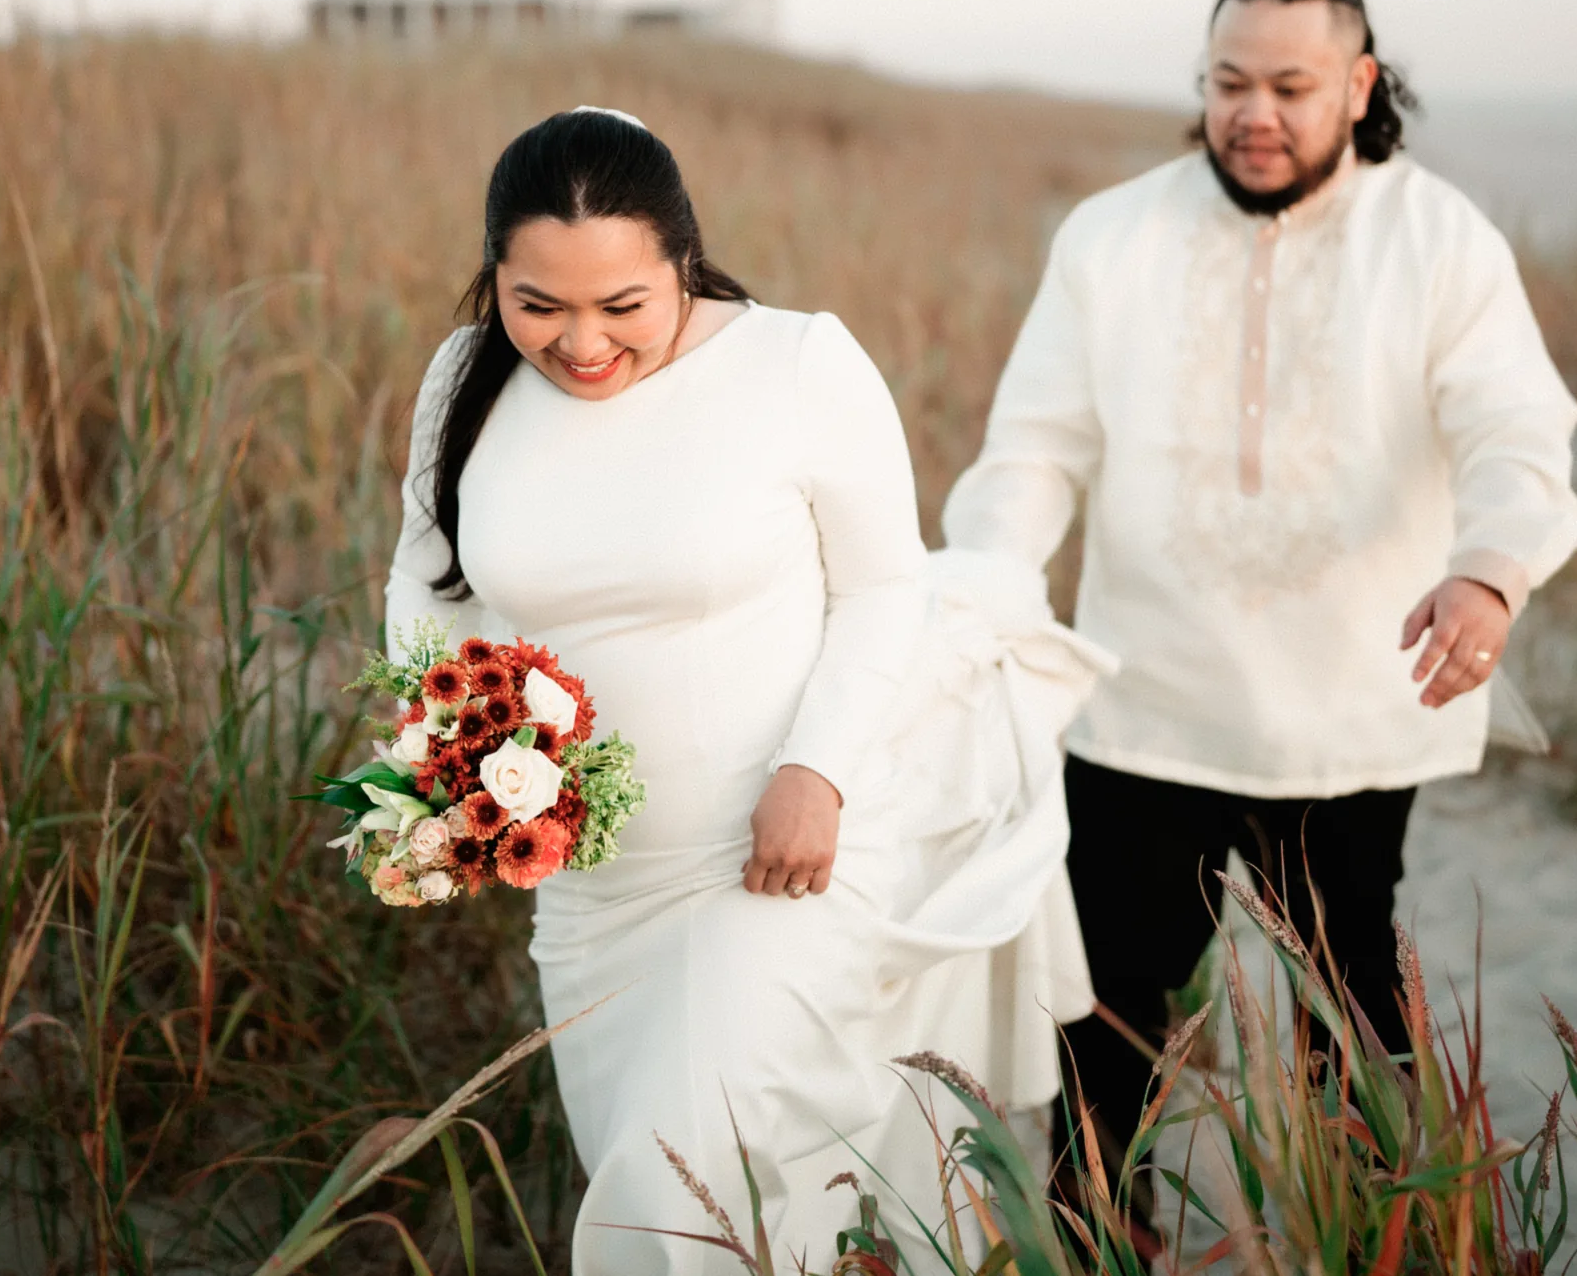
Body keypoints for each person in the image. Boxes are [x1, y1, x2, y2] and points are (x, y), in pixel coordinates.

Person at [383, 108, 1102, 1274]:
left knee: (672, 1191)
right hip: (590, 891)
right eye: (538, 305)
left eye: (623, 307)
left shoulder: (798, 364)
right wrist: (458, 759)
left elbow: (883, 589)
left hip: (779, 857)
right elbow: (428, 588)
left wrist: (812, 774)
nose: (580, 345)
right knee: (700, 1196)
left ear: (683, 261)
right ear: (494, 280)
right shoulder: (464, 379)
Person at [943, 0, 1577, 1160]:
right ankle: (1101, 1239)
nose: (1252, 113)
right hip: (1144, 705)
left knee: (1349, 1028)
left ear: (1359, 84)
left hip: (1347, 715)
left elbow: (1516, 430)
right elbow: (1034, 449)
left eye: (1290, 87)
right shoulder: (1111, 235)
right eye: (1228, 81)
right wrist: (982, 595)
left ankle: (1348, 1239)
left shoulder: (1439, 240)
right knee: (1106, 1024)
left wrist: (1491, 568)